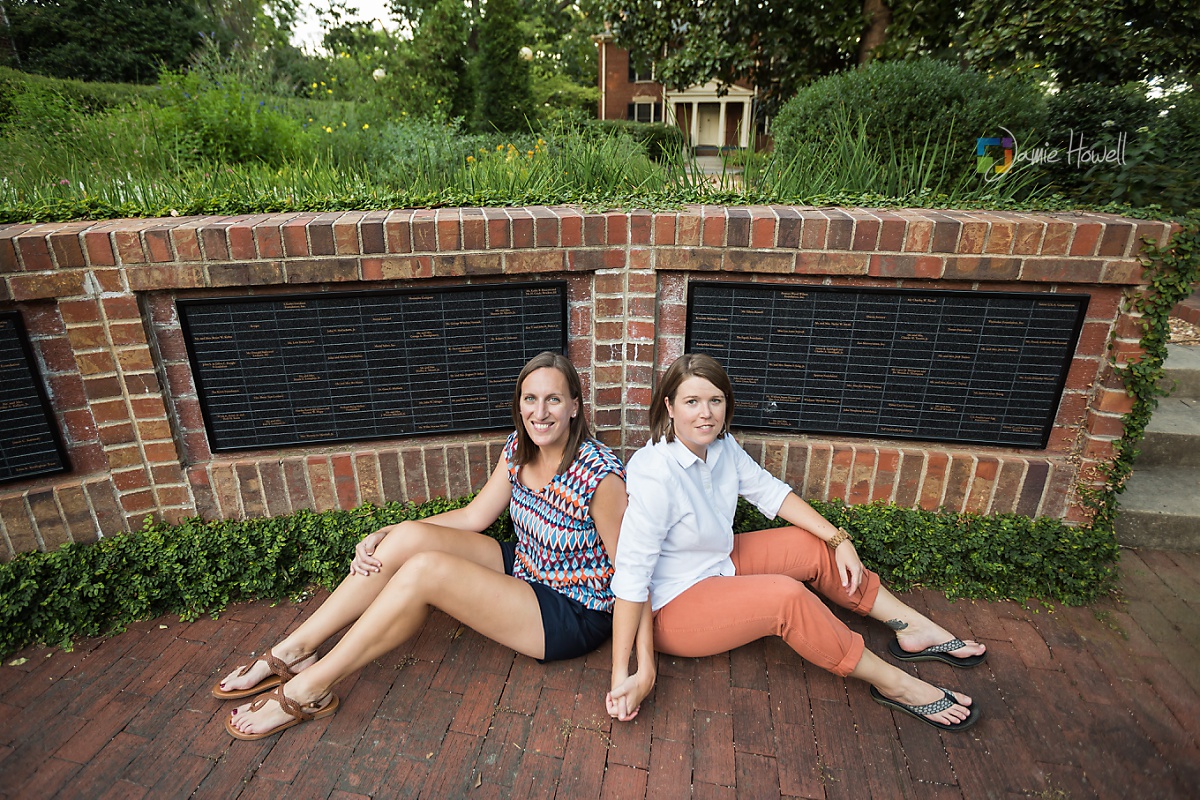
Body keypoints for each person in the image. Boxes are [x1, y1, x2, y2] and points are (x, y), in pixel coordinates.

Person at [217, 352, 627, 739]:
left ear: (574, 406)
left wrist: (632, 669)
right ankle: (295, 650)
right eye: (530, 399)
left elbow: (630, 572)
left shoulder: (599, 475)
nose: (540, 412)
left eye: (553, 399)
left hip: (573, 610)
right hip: (528, 564)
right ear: (519, 405)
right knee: (409, 539)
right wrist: (389, 531)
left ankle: (312, 687)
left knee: (425, 570)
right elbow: (473, 517)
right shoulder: (520, 449)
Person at [606, 354, 986, 732]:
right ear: (669, 407)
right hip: (673, 604)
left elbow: (771, 493)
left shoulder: (721, 446)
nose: (706, 413)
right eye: (692, 402)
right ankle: (896, 685)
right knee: (784, 598)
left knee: (811, 544)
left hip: (716, 562)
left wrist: (839, 539)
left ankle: (913, 628)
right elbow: (632, 577)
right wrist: (626, 674)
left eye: (715, 400)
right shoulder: (654, 473)